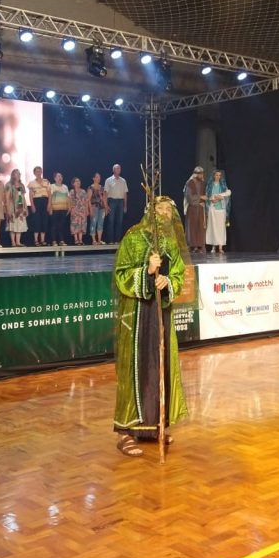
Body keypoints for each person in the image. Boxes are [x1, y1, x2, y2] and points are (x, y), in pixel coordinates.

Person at [112, 195, 189, 457]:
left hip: (160, 313)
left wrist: (167, 282)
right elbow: (121, 274)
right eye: (161, 209)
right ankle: (125, 433)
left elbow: (178, 274)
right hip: (136, 316)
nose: (165, 214)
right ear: (151, 212)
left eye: (169, 210)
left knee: (159, 367)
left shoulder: (170, 243)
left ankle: (154, 427)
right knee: (136, 369)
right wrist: (146, 271)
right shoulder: (133, 238)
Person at [205, 169, 232, 253]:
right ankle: (213, 246)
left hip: (221, 209)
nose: (218, 177)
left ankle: (220, 247)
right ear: (214, 176)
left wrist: (220, 196)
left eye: (219, 175)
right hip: (213, 208)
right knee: (213, 227)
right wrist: (212, 199)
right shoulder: (210, 185)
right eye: (216, 175)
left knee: (221, 228)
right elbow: (207, 196)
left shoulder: (223, 185)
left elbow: (228, 193)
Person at [183, 166, 207, 252]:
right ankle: (193, 246)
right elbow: (189, 197)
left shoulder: (203, 183)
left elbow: (206, 195)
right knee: (192, 227)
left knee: (200, 227)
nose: (201, 175)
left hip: (200, 208)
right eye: (199, 174)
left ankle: (200, 246)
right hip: (192, 209)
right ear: (195, 174)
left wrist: (205, 198)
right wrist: (200, 197)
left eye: (202, 174)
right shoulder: (190, 183)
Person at [104, 163, 128, 243]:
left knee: (119, 221)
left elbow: (125, 193)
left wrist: (125, 205)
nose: (119, 170)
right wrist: (106, 205)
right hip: (112, 201)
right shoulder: (108, 180)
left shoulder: (123, 180)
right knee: (111, 221)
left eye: (119, 168)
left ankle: (117, 240)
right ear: (113, 170)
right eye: (117, 168)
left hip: (120, 202)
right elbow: (105, 193)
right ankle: (110, 240)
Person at [28, 166, 51, 246]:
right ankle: (36, 240)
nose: (38, 173)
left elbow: (49, 194)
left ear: (41, 172)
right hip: (36, 202)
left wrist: (49, 204)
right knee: (36, 221)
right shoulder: (32, 183)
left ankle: (43, 240)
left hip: (45, 201)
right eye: (37, 171)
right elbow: (30, 195)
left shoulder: (46, 181)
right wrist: (32, 205)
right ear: (34, 173)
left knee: (44, 220)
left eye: (39, 171)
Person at [5, 168, 28, 246]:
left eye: (19, 174)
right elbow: (7, 198)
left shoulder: (22, 185)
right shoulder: (9, 185)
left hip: (20, 207)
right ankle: (13, 242)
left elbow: (23, 197)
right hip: (12, 207)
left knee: (20, 224)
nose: (18, 175)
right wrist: (8, 209)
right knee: (13, 224)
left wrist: (25, 208)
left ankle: (18, 242)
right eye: (17, 174)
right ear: (13, 175)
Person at [48, 172, 70, 246]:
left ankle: (61, 240)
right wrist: (50, 207)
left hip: (63, 209)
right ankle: (54, 241)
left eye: (61, 176)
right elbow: (50, 197)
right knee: (54, 225)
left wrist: (69, 207)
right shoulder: (52, 186)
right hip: (55, 209)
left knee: (62, 226)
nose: (60, 178)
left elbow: (68, 197)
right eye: (58, 176)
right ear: (55, 178)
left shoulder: (65, 187)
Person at [68, 176, 90, 245]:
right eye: (77, 181)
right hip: (75, 210)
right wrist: (71, 209)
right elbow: (69, 201)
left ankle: (80, 240)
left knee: (81, 224)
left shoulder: (83, 191)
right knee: (75, 224)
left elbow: (86, 201)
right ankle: (76, 239)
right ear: (73, 183)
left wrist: (87, 210)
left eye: (79, 181)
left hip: (82, 210)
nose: (78, 182)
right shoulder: (71, 191)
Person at [88, 172, 108, 245]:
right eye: (97, 177)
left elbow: (104, 198)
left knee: (100, 223)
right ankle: (94, 240)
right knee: (93, 223)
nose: (99, 178)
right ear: (93, 178)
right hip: (94, 207)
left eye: (99, 177)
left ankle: (99, 240)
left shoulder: (102, 187)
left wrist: (106, 208)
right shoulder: (90, 188)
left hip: (101, 208)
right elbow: (88, 200)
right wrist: (90, 209)